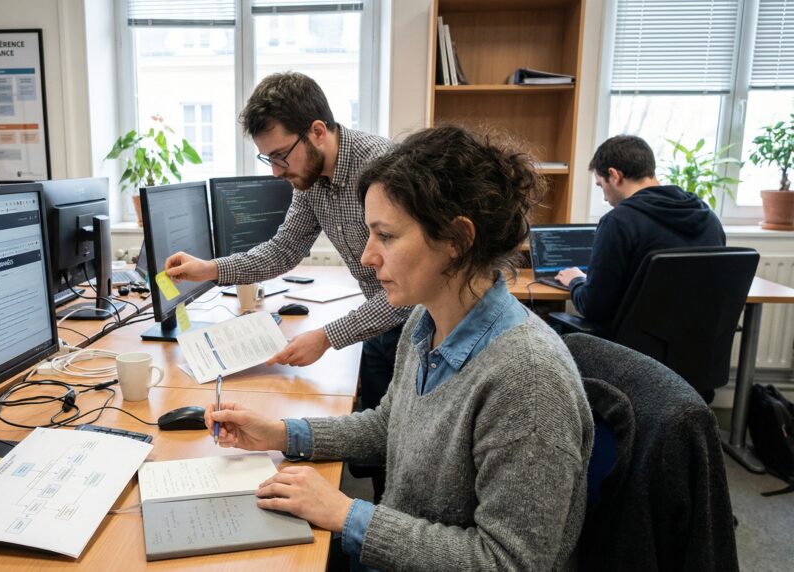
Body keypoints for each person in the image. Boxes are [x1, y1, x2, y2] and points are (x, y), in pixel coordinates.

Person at [203, 125, 594, 571]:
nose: (368, 257)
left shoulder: (529, 382)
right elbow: (390, 426)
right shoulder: (424, 323)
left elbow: (508, 562)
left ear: (458, 240)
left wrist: (347, 514)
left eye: (385, 236)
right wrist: (281, 433)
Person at [165, 71, 409, 412]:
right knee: (371, 434)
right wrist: (209, 269)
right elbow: (284, 250)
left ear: (318, 132)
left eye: (280, 156)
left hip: (419, 326)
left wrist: (326, 337)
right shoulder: (310, 178)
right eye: (268, 159)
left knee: (396, 441)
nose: (276, 172)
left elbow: (411, 292)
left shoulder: (380, 169)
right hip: (377, 320)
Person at [555, 135, 726, 331]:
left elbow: (594, 307)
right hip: (696, 346)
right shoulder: (708, 218)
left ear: (614, 175)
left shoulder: (618, 222)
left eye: (601, 185)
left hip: (633, 353)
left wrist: (576, 280)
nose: (604, 197)